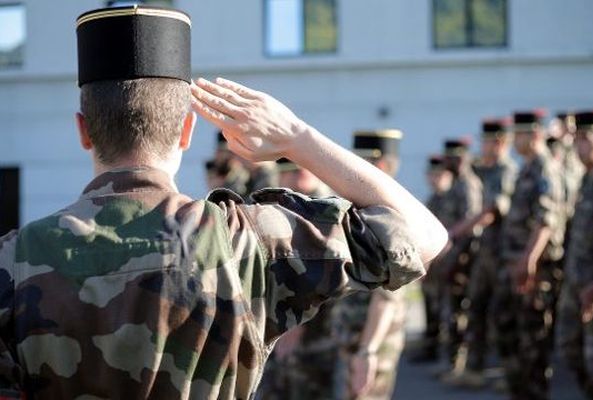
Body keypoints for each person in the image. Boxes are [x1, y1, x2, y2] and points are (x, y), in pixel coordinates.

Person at [0, 5, 447, 399]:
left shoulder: (13, 262)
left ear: (83, 130)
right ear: (186, 132)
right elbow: (425, 236)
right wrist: (296, 137)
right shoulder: (248, 244)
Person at [331, 130, 409, 400]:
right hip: (353, 338)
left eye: (361, 164)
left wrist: (367, 351)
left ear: (382, 167)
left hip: (371, 341)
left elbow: (387, 298)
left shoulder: (389, 220)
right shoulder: (362, 211)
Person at [495, 110, 565, 400]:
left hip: (534, 271)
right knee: (508, 332)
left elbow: (546, 221)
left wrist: (528, 262)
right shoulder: (527, 167)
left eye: (518, 134)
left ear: (534, 134)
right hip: (515, 267)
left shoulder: (544, 169)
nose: (512, 140)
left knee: (532, 343)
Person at [445, 118, 517, 388]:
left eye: (486, 141)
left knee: (503, 313)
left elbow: (490, 212)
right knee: (476, 307)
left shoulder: (506, 171)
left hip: (502, 253)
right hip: (484, 253)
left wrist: (457, 231)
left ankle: (509, 373)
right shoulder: (482, 171)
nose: (482, 146)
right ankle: (473, 369)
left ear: (499, 142)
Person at [257, 157, 335, 400]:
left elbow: (325, 277)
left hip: (312, 329)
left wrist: (295, 324)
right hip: (278, 324)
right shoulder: (281, 208)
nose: (297, 174)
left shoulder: (328, 212)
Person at [557, 110, 593, 399]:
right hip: (576, 284)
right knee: (570, 349)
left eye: (585, 139)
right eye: (576, 139)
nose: (578, 146)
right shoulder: (587, 179)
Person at [436, 138, 482, 379]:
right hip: (453, 255)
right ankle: (453, 363)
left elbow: (471, 223)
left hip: (464, 257)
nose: (450, 162)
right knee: (451, 310)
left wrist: (454, 243)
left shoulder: (468, 185)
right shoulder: (456, 185)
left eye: (455, 157)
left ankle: (461, 364)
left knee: (460, 310)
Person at [409, 155, 454, 364]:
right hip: (432, 264)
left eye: (439, 175)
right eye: (432, 175)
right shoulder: (433, 199)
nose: (434, 179)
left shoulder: (452, 197)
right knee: (430, 305)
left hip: (449, 263)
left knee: (448, 308)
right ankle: (431, 348)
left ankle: (449, 354)